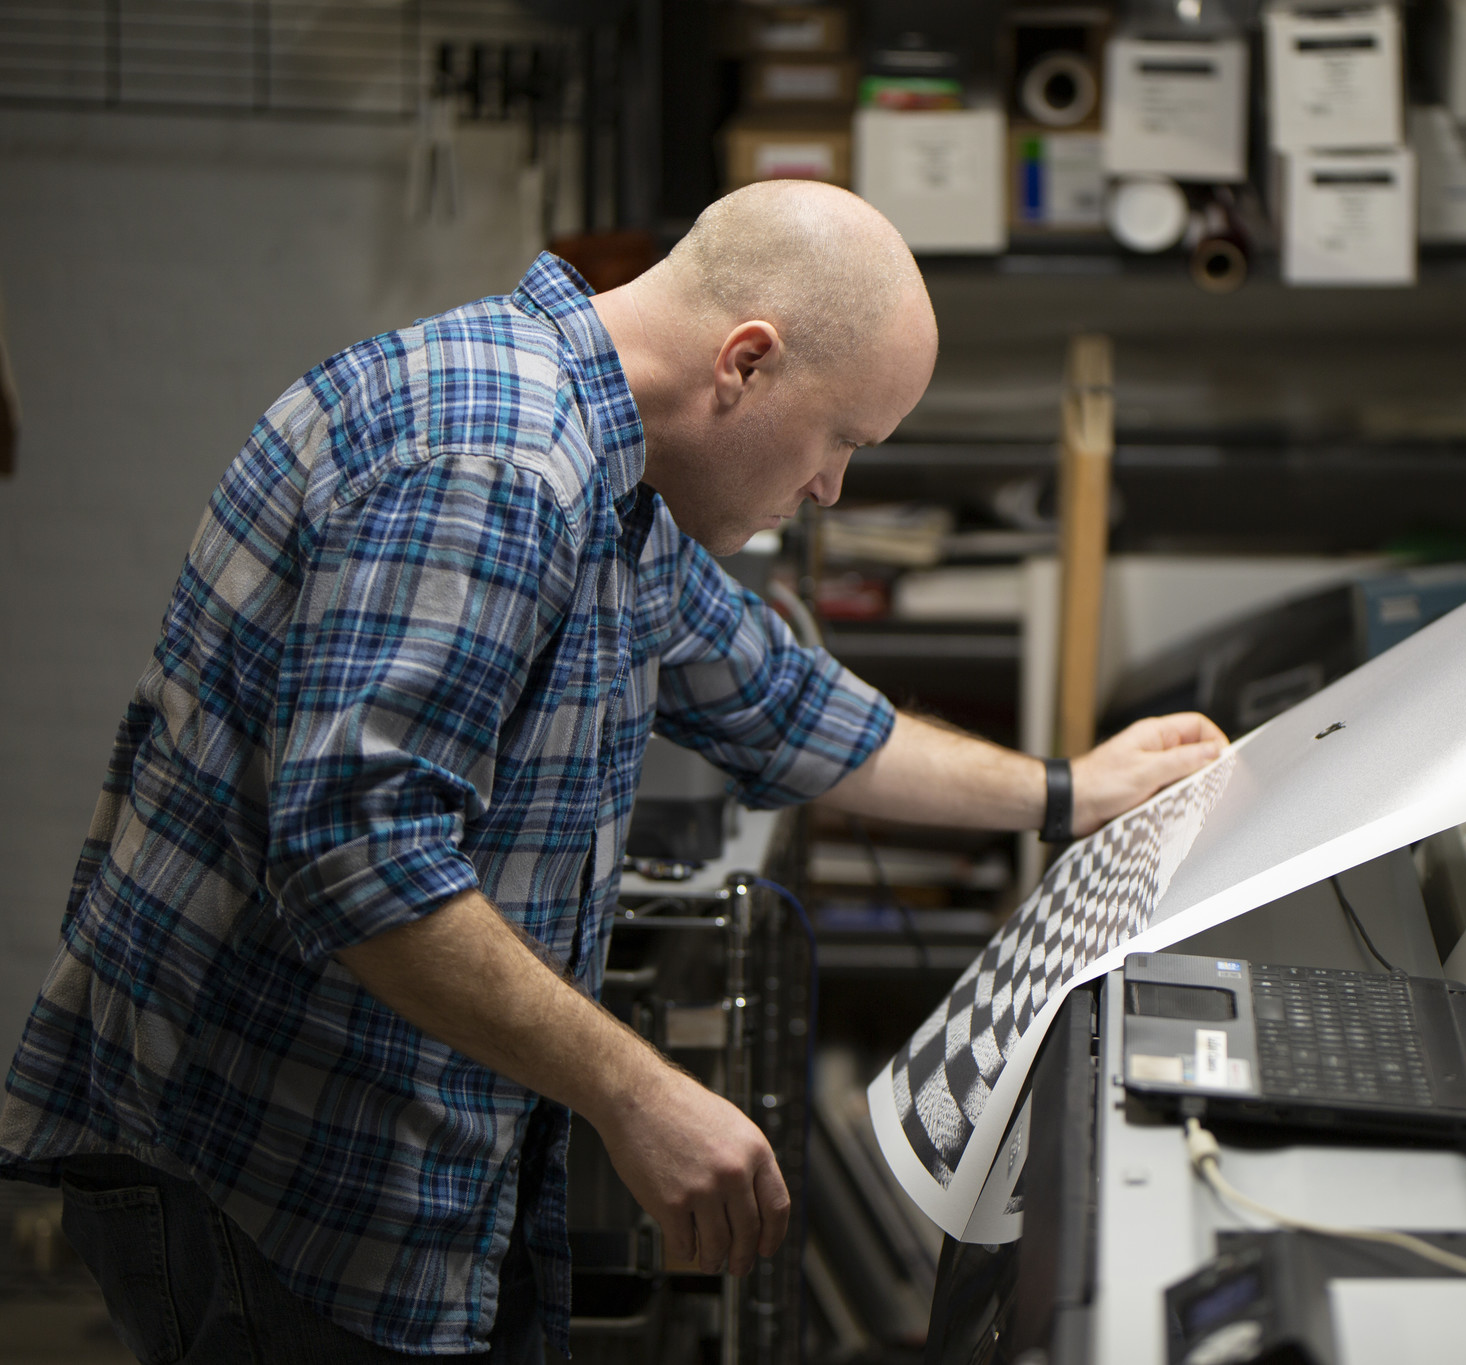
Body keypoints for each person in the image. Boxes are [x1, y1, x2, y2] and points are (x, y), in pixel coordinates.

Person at [0, 181, 1226, 1362]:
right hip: (275, 1162)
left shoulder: (615, 479)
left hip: (406, 1150)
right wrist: (638, 1094)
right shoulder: (497, 465)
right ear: (744, 363)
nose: (827, 491)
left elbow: (782, 704)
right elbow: (356, 859)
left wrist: (1068, 792)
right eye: (839, 439)